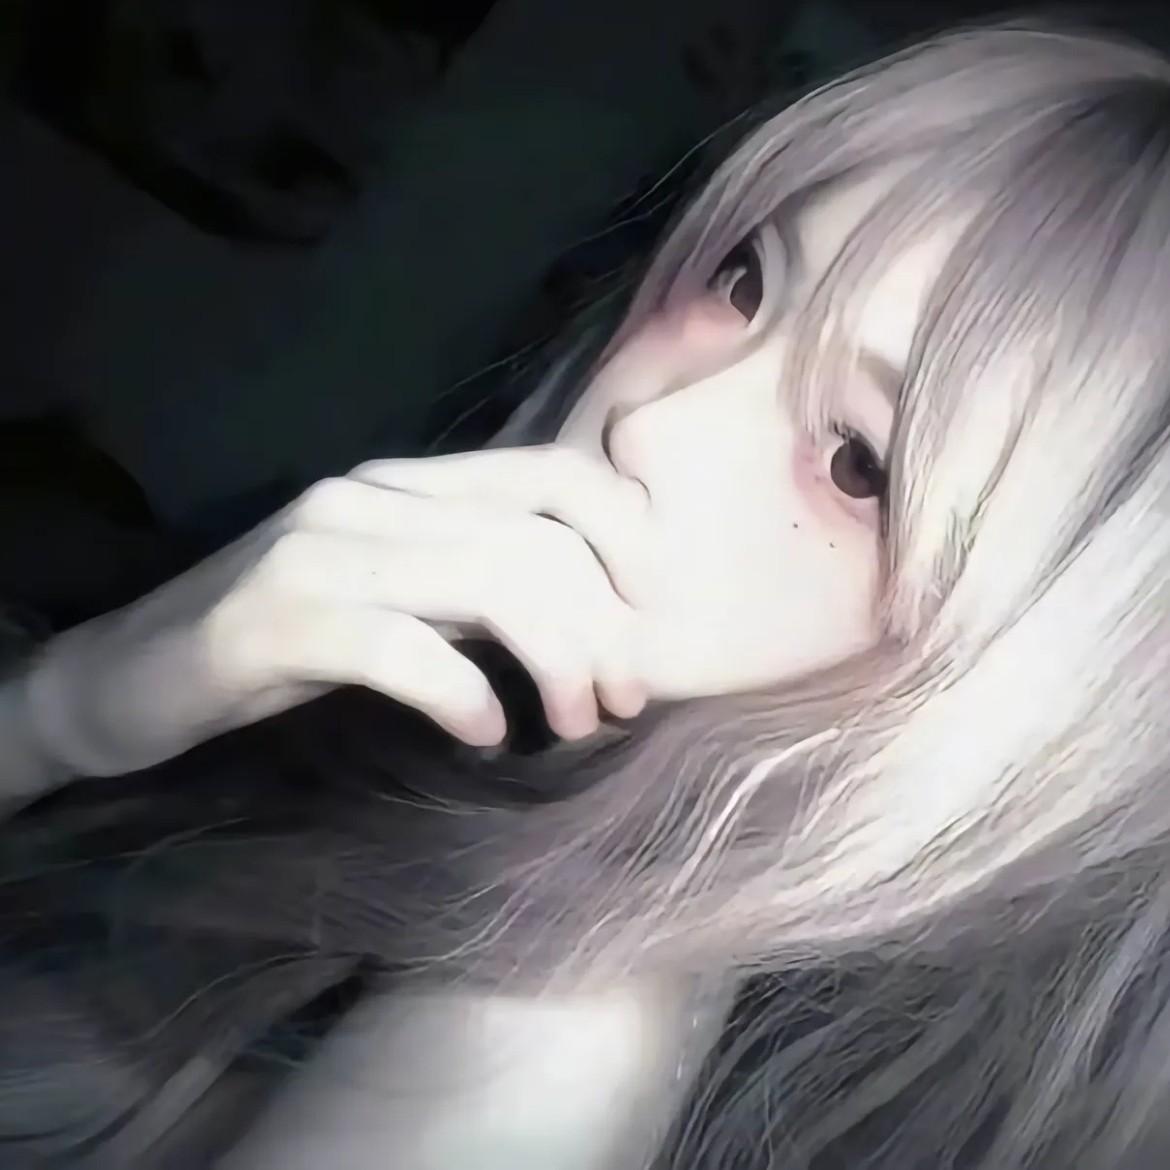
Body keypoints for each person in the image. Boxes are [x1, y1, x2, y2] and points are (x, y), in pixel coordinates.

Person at [5, 19, 1170, 1170]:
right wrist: (70, 707)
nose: (651, 421)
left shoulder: (550, 1043)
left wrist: (52, 719)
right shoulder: (445, 729)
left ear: (1035, 683)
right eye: (744, 281)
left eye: (858, 463)